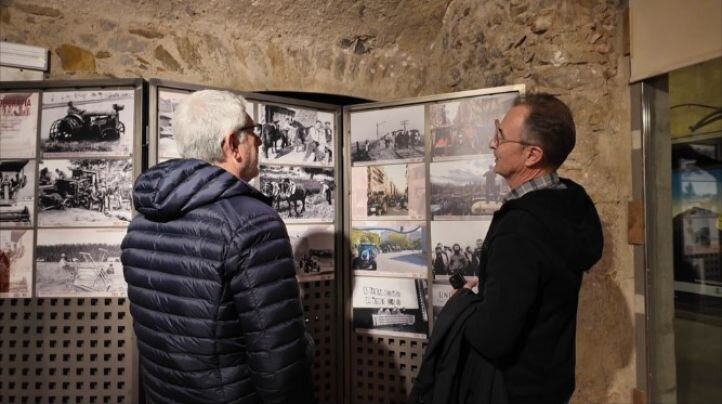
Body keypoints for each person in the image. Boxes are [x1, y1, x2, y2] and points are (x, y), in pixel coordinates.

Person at [121, 90, 315, 404]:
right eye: (254, 132)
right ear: (232, 145)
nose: (260, 142)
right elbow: (279, 362)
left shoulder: (142, 222)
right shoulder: (253, 223)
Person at [412, 93, 603, 404]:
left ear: (532, 155)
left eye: (500, 135)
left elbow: (492, 336)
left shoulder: (521, 227)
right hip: (548, 383)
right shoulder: (567, 205)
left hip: (509, 390)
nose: (492, 143)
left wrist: (464, 304)